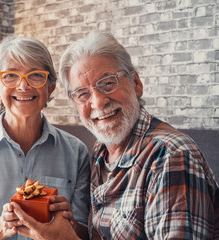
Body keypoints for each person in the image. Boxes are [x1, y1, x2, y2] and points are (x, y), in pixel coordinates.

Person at [11, 31, 219, 239]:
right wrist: (70, 227)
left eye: (108, 83)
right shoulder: (100, 152)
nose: (98, 102)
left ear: (136, 83)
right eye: (83, 93)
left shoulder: (170, 157)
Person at [0, 35, 91, 240]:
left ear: (50, 88)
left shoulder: (77, 152)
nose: (23, 86)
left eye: (36, 75)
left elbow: (87, 233)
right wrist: (0, 227)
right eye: (10, 76)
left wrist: (69, 223)